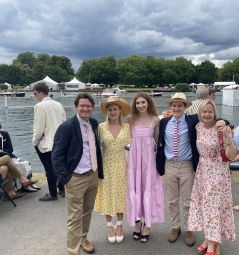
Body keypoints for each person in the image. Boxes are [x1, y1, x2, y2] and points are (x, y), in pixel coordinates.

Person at [52, 93, 103, 255]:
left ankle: (83, 238)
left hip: (92, 175)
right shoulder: (66, 127)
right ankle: (72, 250)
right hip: (75, 178)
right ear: (76, 107)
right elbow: (57, 156)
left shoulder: (93, 123)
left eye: (88, 106)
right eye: (82, 106)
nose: (85, 109)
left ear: (93, 108)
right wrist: (66, 179)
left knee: (87, 211)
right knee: (74, 216)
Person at [188, 100, 236, 255]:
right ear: (200, 113)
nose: (207, 115)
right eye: (204, 112)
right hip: (203, 170)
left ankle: (213, 244)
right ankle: (208, 239)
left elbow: (231, 155)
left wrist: (227, 135)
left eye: (210, 112)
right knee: (205, 206)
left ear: (215, 113)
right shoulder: (198, 127)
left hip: (217, 171)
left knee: (213, 207)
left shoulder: (222, 128)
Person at [156, 92, 199, 246]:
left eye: (180, 105)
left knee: (188, 201)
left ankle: (189, 229)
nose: (176, 108)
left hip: (186, 165)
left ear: (185, 107)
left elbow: (211, 118)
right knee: (173, 201)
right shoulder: (164, 122)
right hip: (170, 165)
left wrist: (223, 122)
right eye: (174, 105)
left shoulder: (193, 120)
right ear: (170, 107)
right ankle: (175, 227)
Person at [126, 92, 164, 243]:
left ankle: (147, 224)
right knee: (134, 189)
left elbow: (157, 142)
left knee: (147, 189)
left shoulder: (155, 120)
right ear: (134, 105)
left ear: (149, 103)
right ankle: (136, 223)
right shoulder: (130, 119)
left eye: (143, 102)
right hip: (135, 160)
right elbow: (127, 139)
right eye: (138, 103)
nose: (140, 105)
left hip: (149, 161)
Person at [94, 96, 131, 244]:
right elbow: (95, 148)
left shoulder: (128, 127)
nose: (112, 112)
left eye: (115, 109)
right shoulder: (101, 127)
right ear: (106, 111)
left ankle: (120, 225)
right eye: (110, 109)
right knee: (107, 195)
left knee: (121, 195)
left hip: (123, 165)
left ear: (120, 110)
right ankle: (109, 226)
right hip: (106, 166)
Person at [32, 82, 66, 201]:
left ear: (40, 92)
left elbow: (39, 127)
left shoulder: (40, 106)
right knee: (59, 166)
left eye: (35, 92)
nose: (34, 95)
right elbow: (63, 122)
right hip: (59, 141)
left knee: (49, 168)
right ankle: (62, 188)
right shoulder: (58, 104)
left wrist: (35, 140)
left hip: (46, 142)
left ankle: (52, 193)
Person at [0, 118, 38, 192]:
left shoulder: (4, 134)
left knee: (24, 163)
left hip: (6, 156)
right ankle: (24, 182)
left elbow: (10, 149)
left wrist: (0, 151)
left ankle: (25, 184)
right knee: (8, 162)